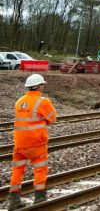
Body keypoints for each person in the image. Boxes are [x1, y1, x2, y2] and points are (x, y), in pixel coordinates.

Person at [8, 74, 57, 209]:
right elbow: (53, 119)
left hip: (19, 143)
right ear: (38, 86)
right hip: (36, 143)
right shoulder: (43, 101)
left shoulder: (19, 101)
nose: (43, 87)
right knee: (40, 169)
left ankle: (14, 200)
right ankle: (40, 198)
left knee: (17, 169)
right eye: (42, 85)